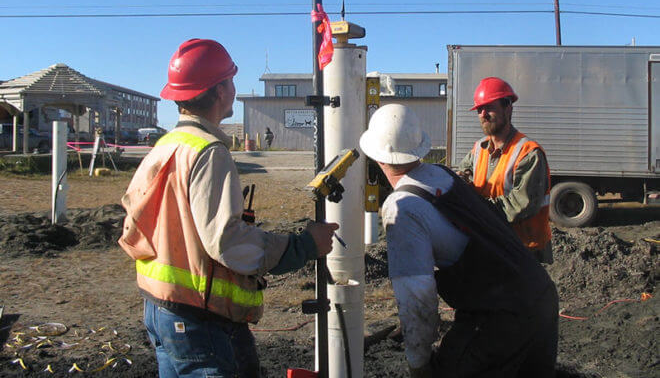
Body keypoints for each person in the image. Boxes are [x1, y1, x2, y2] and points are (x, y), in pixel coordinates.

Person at [119, 38, 338, 378]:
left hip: (160, 308)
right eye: (232, 80)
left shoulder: (167, 145)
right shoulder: (208, 152)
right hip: (200, 319)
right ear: (220, 90)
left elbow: (137, 218)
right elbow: (228, 243)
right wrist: (304, 245)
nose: (235, 89)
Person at [359, 104, 558, 378]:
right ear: (420, 147)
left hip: (504, 316)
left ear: (376, 158)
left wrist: (419, 364)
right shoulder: (444, 176)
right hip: (542, 297)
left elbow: (417, 298)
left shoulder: (402, 208)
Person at [457, 77, 553, 263]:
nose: (483, 114)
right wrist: (459, 180)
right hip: (494, 245)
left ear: (508, 107)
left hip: (524, 252)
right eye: (479, 109)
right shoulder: (479, 149)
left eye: (489, 107)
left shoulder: (529, 153)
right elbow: (462, 174)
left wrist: (475, 209)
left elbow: (520, 205)